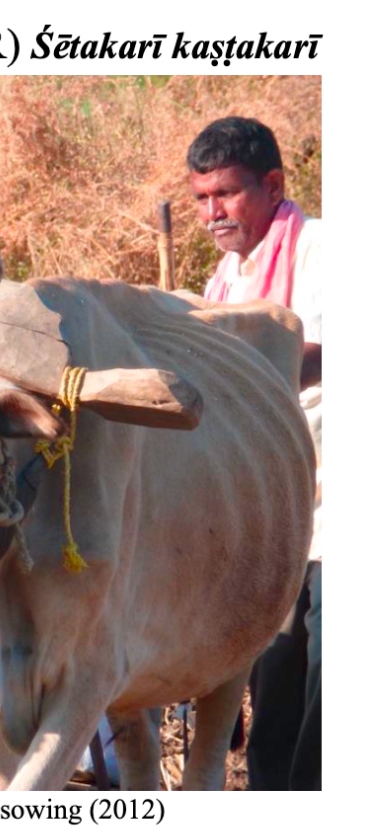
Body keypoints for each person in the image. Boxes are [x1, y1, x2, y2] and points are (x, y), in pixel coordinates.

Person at [187, 116, 322, 790]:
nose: (213, 213)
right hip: (267, 512)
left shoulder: (323, 253)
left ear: (273, 185)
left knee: (331, 688)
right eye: (201, 198)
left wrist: (232, 372)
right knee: (274, 678)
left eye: (228, 195)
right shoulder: (227, 276)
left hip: (334, 500)